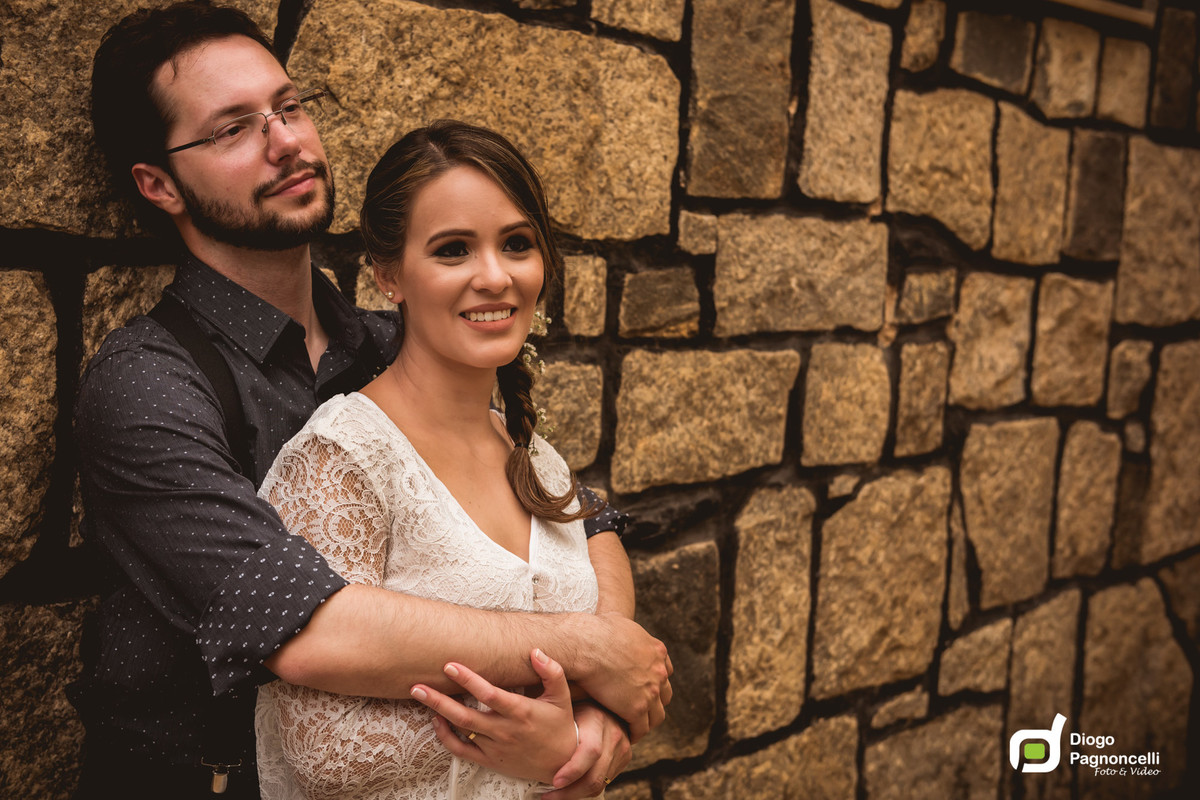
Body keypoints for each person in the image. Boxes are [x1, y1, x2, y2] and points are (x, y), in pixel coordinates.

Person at [72, 3, 671, 798]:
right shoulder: (149, 384)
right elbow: (308, 628)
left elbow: (577, 515)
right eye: (232, 130)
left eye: (288, 106)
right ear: (158, 184)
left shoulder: (396, 344)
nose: (285, 141)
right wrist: (589, 655)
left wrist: (599, 709)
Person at [255, 118, 623, 799]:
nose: (495, 276)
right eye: (453, 250)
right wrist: (550, 739)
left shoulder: (540, 462)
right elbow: (322, 746)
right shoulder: (342, 459)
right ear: (389, 274)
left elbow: (605, 630)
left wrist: (602, 717)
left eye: (517, 244)